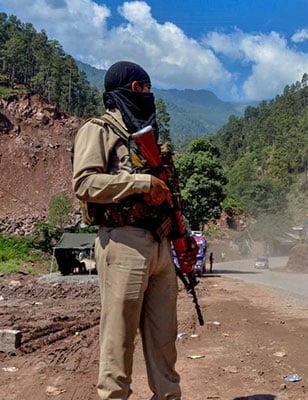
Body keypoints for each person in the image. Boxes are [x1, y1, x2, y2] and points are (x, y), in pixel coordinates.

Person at [72, 61, 197, 400]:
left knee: (164, 343)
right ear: (118, 91)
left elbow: (172, 198)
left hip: (160, 247)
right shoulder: (98, 130)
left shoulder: (151, 140)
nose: (145, 93)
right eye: (137, 87)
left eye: (147, 87)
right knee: (119, 340)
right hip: (123, 241)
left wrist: (183, 242)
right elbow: (84, 183)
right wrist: (140, 183)